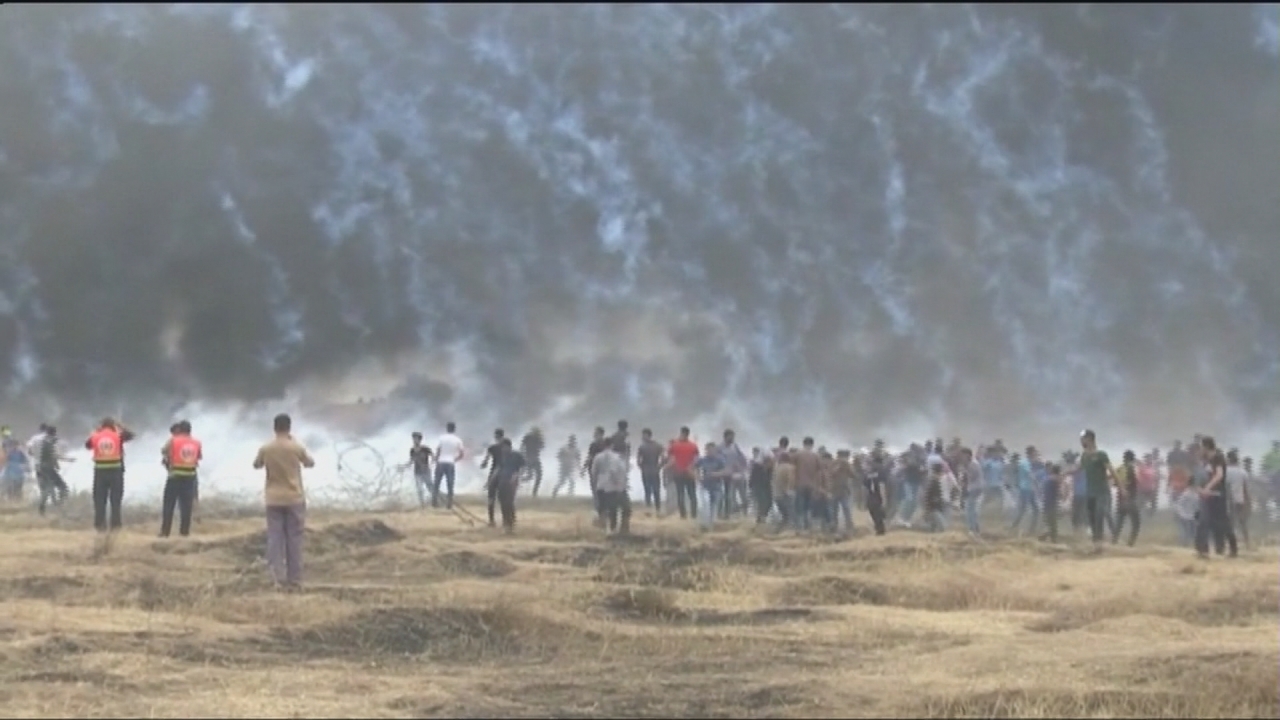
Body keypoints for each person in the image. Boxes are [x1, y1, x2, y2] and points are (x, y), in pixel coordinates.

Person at [253, 413, 315, 590]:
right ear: (289, 427)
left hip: (273, 498)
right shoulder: (295, 447)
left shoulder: (266, 448)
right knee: (294, 539)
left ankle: (276, 577)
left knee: (275, 538)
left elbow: (257, 464)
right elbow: (310, 463)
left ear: (274, 428)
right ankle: (295, 578)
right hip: (294, 497)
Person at [85, 417, 135, 532]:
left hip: (100, 472)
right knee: (115, 501)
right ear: (113, 426)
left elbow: (87, 445)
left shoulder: (96, 436)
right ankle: (116, 526)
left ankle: (100, 526)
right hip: (116, 471)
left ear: (101, 426)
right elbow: (131, 436)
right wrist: (121, 426)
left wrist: (96, 432)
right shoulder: (118, 436)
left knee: (99, 501)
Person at [1194, 437, 1237, 559]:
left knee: (1223, 522)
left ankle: (1233, 549)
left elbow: (1219, 475)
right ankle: (1203, 550)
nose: (1201, 450)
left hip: (1218, 494)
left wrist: (1208, 488)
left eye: (1202, 447)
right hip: (1210, 496)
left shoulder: (1218, 458)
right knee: (1205, 521)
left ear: (1207, 446)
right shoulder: (1207, 461)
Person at [1075, 429, 1117, 548]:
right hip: (1090, 493)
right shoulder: (1084, 456)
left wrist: (1121, 488)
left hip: (1101, 492)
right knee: (1092, 518)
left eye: (1083, 439)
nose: (1081, 441)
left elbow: (1112, 470)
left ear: (1089, 439)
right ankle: (1096, 544)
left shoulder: (1101, 455)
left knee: (1099, 516)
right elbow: (1078, 468)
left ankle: (1101, 544)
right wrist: (1063, 473)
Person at [159, 420, 201, 538]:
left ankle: (165, 532)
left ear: (179, 430)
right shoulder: (196, 442)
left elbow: (163, 450)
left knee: (169, 505)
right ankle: (184, 532)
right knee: (186, 506)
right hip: (190, 477)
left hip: (174, 476)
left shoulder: (173, 440)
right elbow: (198, 457)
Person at [591, 437, 631, 534]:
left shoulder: (598, 457)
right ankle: (617, 528)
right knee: (617, 508)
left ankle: (603, 528)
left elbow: (594, 472)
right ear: (612, 445)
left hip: (601, 484)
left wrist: (594, 484)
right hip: (613, 485)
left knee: (602, 508)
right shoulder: (616, 457)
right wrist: (621, 483)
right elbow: (617, 472)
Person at [492, 438, 525, 533]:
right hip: (502, 480)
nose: (502, 449)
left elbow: (522, 468)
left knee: (509, 501)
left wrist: (516, 476)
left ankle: (510, 522)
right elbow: (498, 468)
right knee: (502, 501)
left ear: (508, 446)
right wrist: (492, 479)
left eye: (503, 447)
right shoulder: (503, 456)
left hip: (512, 481)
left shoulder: (517, 455)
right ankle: (505, 521)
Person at [36, 425, 71, 515]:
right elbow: (55, 455)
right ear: (54, 433)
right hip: (48, 468)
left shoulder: (41, 441)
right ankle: (59, 507)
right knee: (63, 488)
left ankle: (42, 509)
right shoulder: (52, 442)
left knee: (47, 489)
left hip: (40, 468)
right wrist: (68, 459)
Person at [666, 427, 699, 519]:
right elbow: (696, 460)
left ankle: (683, 516)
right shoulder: (693, 446)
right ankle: (694, 515)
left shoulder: (674, 445)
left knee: (680, 495)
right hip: (689, 473)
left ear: (681, 433)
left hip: (678, 473)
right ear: (688, 434)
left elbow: (672, 460)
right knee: (692, 495)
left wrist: (665, 468)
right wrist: (693, 470)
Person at [694, 441, 727, 531]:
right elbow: (694, 467)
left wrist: (716, 474)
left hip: (716, 486)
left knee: (714, 506)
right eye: (707, 450)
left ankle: (711, 525)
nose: (709, 452)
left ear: (715, 450)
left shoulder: (720, 460)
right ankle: (704, 524)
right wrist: (697, 477)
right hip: (705, 486)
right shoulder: (703, 460)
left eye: (711, 450)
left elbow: (725, 471)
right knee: (705, 504)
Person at [1111, 450, 1142, 547]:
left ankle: (1114, 542)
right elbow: (1135, 483)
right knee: (1136, 524)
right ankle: (1130, 544)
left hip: (1120, 499)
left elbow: (1114, 483)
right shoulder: (1132, 469)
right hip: (1130, 499)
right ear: (1132, 458)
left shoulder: (1119, 469)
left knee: (1119, 523)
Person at [432, 422, 465, 509]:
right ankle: (449, 504)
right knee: (450, 484)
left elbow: (438, 450)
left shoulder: (442, 438)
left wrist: (435, 460)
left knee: (436, 483)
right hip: (450, 463)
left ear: (447, 428)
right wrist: (455, 460)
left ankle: (434, 502)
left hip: (441, 462)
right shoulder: (457, 440)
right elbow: (462, 454)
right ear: (454, 429)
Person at [1224, 450, 1251, 549]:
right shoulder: (1242, 472)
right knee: (1242, 522)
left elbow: (1224, 486)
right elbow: (1246, 489)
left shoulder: (1225, 471)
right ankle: (1247, 542)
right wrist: (1248, 502)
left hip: (1228, 500)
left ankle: (1230, 543)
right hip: (1240, 499)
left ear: (1228, 459)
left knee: (1230, 522)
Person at [635, 429, 665, 514]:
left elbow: (638, 460)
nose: (642, 437)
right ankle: (657, 509)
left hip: (646, 470)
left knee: (648, 490)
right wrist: (660, 466)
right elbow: (664, 457)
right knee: (656, 490)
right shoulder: (658, 445)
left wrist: (641, 467)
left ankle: (649, 509)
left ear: (647, 435)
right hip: (655, 470)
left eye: (643, 435)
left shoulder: (642, 447)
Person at [403, 432, 434, 509]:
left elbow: (433, 456)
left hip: (426, 471)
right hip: (417, 472)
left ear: (420, 440)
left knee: (430, 487)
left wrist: (433, 462)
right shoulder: (412, 450)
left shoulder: (425, 449)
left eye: (416, 439)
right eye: (414, 438)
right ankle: (422, 505)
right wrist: (403, 467)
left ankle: (434, 501)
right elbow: (411, 461)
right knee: (419, 489)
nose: (414, 440)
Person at [2, 427, 28, 502]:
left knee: (17, 488)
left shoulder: (19, 452)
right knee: (10, 488)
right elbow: (5, 461)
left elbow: (25, 461)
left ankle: (17, 501)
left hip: (17, 472)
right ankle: (13, 500)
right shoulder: (10, 453)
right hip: (11, 472)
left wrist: (25, 467)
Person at [520, 427, 545, 496]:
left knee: (535, 476)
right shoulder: (529, 438)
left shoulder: (535, 438)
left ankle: (534, 492)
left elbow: (542, 447)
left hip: (533, 459)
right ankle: (519, 482)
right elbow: (522, 447)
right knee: (532, 476)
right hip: (530, 459)